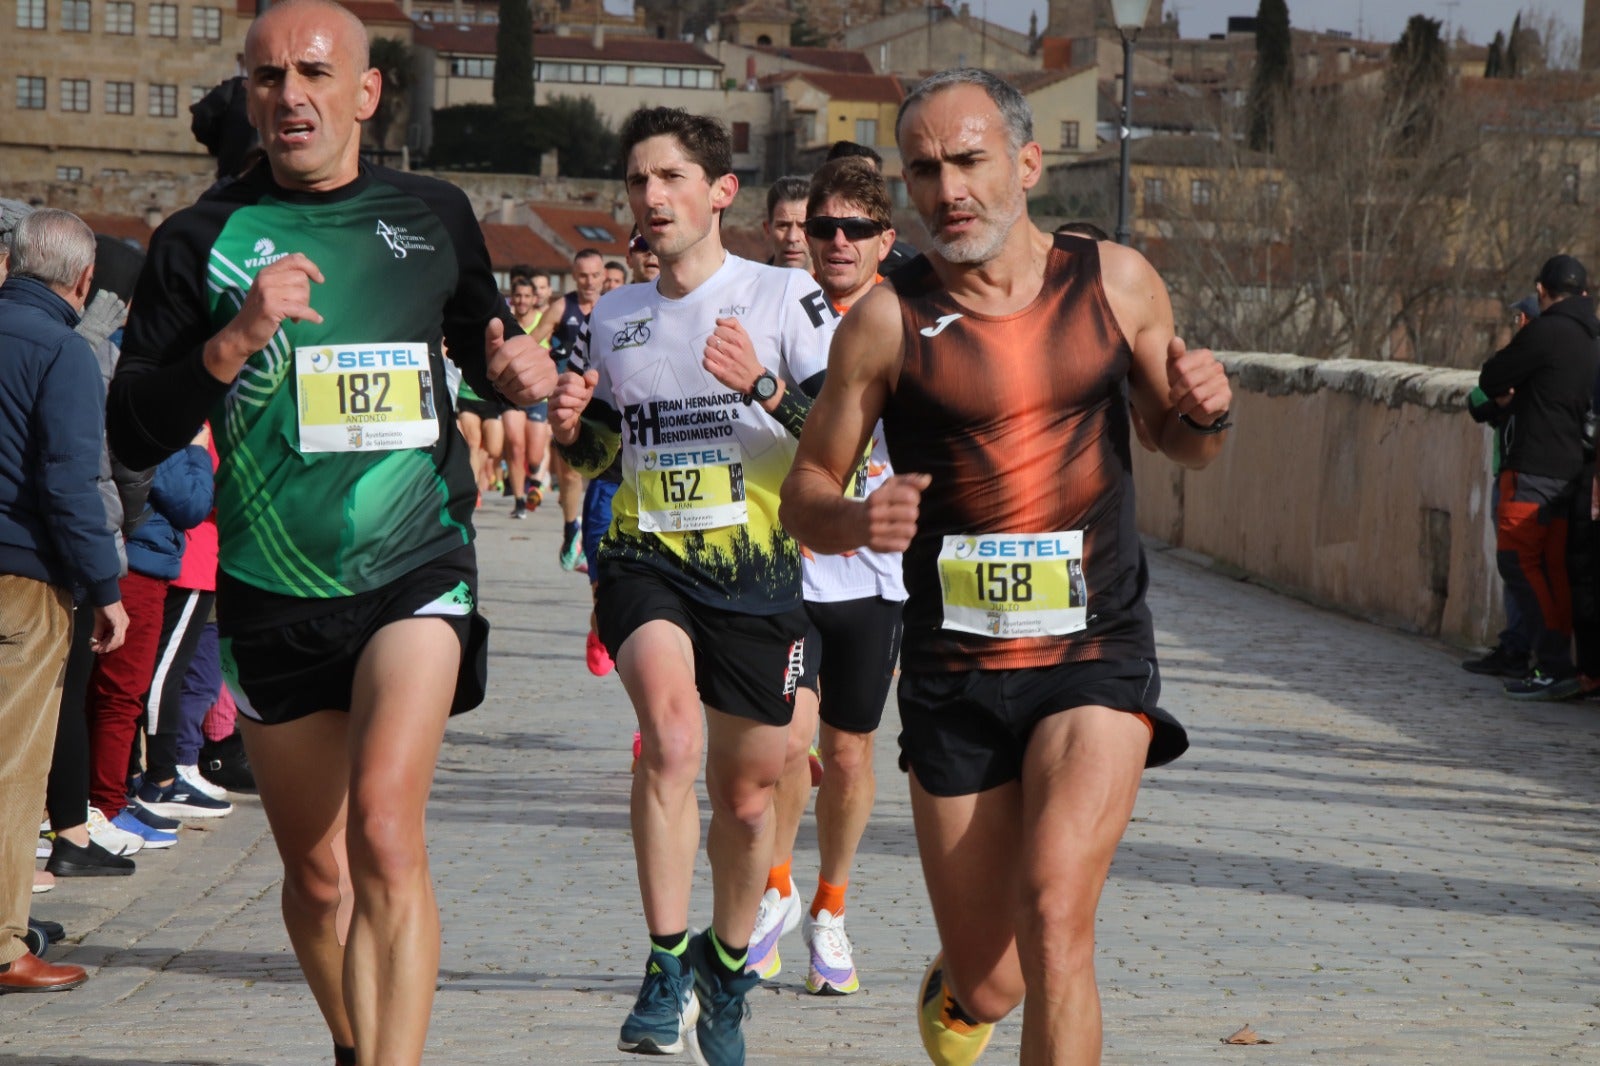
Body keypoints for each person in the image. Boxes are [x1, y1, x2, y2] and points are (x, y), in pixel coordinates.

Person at [106, 2, 556, 1062]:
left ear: (366, 93)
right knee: (315, 875)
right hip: (272, 586)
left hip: (415, 565)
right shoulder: (198, 242)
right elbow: (131, 424)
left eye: (313, 71)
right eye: (267, 77)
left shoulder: (434, 213)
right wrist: (235, 338)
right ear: (249, 95)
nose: (289, 94)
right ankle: (360, 1042)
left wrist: (513, 374)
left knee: (386, 833)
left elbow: (483, 340)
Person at [781, 68, 1228, 1065]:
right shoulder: (886, 321)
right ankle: (962, 982)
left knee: (1056, 906)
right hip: (957, 674)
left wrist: (1207, 407)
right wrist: (859, 517)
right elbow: (803, 491)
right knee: (991, 976)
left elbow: (1177, 438)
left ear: (1026, 163)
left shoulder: (1113, 282)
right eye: (924, 170)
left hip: (1093, 651)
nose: (949, 191)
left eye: (969, 161)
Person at [549, 105, 834, 1065]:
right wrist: (571, 422)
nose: (650, 197)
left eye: (670, 178)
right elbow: (602, 449)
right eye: (637, 181)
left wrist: (761, 385)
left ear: (721, 192)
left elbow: (846, 441)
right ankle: (666, 960)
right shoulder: (617, 314)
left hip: (757, 576)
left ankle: (723, 962)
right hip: (645, 560)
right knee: (669, 739)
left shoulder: (785, 298)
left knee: (752, 802)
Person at [748, 156, 908, 996]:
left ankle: (831, 910)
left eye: (853, 229)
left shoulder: (912, 315)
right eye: (821, 227)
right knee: (784, 744)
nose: (835, 242)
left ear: (886, 238)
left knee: (848, 756)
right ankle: (772, 891)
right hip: (793, 564)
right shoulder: (774, 308)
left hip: (876, 577)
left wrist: (770, 391)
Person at [0, 207, 129, 993]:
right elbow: (70, 484)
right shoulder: (64, 349)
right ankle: (5, 943)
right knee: (13, 766)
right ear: (84, 281)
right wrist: (105, 589)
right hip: (21, 576)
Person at [1479, 255, 1600, 701]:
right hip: (1573, 471)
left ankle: (1552, 663)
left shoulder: (1545, 332)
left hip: (1533, 465)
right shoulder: (1594, 337)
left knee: (1517, 560)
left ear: (1542, 291)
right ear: (1585, 294)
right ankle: (1558, 663)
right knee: (1554, 570)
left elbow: (1491, 376)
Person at [1462, 294, 1539, 677]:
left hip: (1522, 473)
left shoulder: (1534, 359)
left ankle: (1521, 647)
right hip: (1510, 470)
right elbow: (1477, 400)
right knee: (1516, 565)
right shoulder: (1516, 358)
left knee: (1520, 566)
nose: (1515, 324)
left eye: (1519, 317)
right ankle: (1517, 643)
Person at [532, 249, 606, 570]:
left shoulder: (614, 307)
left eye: (595, 275)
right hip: (569, 402)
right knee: (571, 472)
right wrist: (546, 370)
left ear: (603, 275)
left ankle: (600, 536)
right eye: (583, 276)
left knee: (607, 474)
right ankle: (571, 528)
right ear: (574, 277)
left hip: (604, 401)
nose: (589, 282)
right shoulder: (562, 308)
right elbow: (532, 344)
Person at [503, 272, 554, 519]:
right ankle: (519, 500)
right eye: (517, 296)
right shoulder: (504, 322)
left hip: (537, 397)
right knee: (514, 445)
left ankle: (535, 476)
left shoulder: (544, 322)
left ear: (534, 298)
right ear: (512, 299)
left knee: (534, 455)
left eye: (526, 296)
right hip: (510, 396)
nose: (522, 300)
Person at [763, 176, 811, 271]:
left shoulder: (839, 284)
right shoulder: (749, 285)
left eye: (803, 226)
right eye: (783, 226)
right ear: (767, 229)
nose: (792, 238)